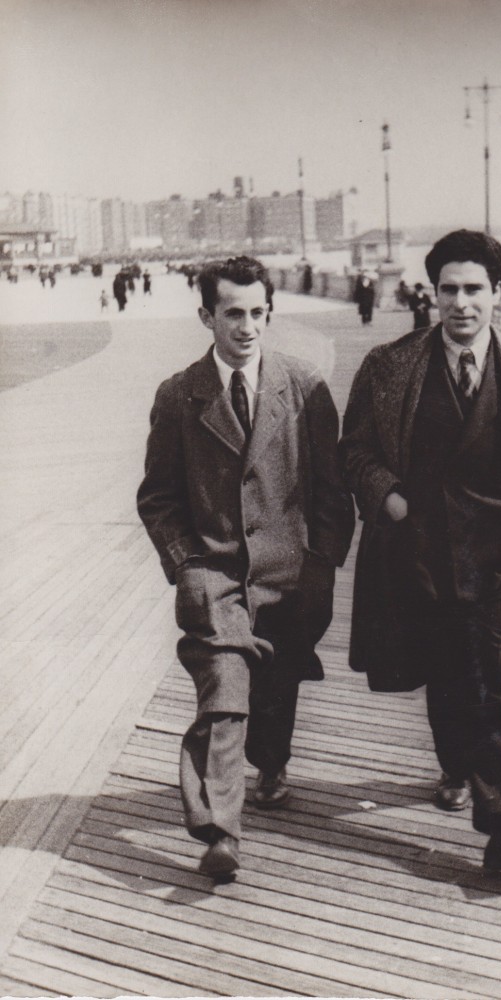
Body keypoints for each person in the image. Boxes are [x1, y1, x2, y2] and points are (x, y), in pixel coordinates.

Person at [340, 230, 501, 872]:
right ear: (434, 293)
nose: (460, 303)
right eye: (448, 289)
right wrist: (390, 499)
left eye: (474, 289)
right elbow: (357, 451)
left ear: (497, 293)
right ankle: (455, 765)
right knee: (450, 677)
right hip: (425, 553)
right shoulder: (390, 366)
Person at [137, 255, 354, 878]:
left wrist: (322, 564)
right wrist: (187, 565)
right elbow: (157, 497)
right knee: (225, 697)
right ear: (207, 315)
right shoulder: (180, 396)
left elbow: (332, 492)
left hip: (291, 580)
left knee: (275, 691)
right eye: (233, 312)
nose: (248, 326)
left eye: (259, 312)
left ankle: (274, 762)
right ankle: (219, 833)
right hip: (216, 579)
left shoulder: (305, 386)